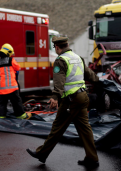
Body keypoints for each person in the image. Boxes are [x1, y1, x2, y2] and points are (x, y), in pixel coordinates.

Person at [26, 36, 100, 168]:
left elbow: (59, 81)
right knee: (85, 128)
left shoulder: (61, 60)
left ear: (57, 47)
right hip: (83, 97)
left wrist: (55, 97)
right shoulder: (78, 57)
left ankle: (42, 154)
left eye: (55, 47)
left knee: (57, 128)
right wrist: (100, 81)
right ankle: (92, 158)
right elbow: (91, 75)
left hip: (71, 100)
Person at [0, 43, 31, 119]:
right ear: (8, 53)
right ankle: (21, 115)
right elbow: (18, 68)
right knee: (16, 102)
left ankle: (1, 117)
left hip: (1, 89)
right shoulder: (11, 60)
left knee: (1, 104)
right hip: (12, 87)